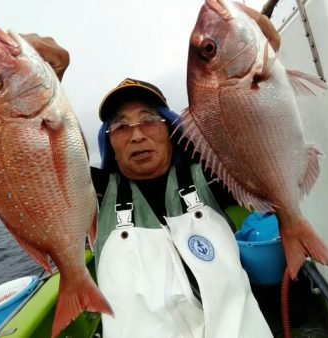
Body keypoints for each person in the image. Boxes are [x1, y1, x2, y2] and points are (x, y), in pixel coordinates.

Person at [24, 4, 280, 337]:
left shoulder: (210, 174)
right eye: (121, 126)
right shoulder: (92, 193)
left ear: (171, 129)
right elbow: (39, 164)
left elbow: (258, 151)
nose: (137, 134)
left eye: (148, 120)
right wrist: (33, 82)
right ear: (109, 143)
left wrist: (260, 68)